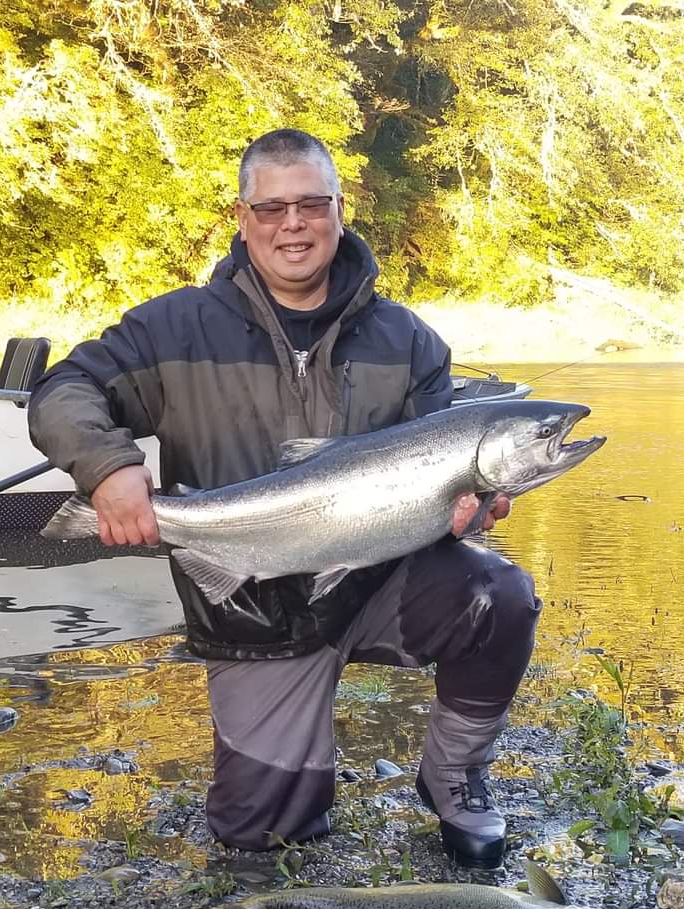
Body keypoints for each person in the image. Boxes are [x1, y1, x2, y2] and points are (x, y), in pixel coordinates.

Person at [27, 129, 540, 869]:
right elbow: (62, 389)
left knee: (501, 594)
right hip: (251, 613)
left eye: (310, 204)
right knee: (260, 844)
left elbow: (444, 491)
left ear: (340, 209)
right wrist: (108, 469)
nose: (291, 224)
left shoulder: (408, 341)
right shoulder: (174, 328)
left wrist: (471, 511)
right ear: (242, 218)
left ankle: (453, 777)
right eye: (271, 209)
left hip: (376, 584)